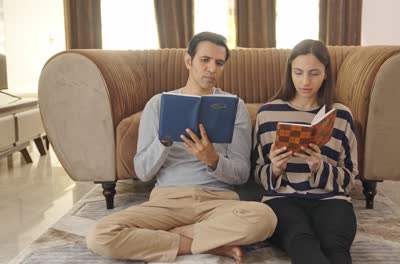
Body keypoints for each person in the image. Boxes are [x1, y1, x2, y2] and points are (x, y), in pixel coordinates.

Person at [86, 31, 277, 263]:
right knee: (100, 235)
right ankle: (210, 244)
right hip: (168, 200)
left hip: (218, 201)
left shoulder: (235, 107)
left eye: (219, 63)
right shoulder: (158, 104)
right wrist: (163, 142)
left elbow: (240, 174)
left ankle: (172, 237)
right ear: (189, 61)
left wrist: (212, 160)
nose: (212, 69)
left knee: (265, 218)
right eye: (204, 60)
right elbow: (143, 172)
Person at [253, 39, 358, 264]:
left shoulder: (341, 115)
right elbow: (257, 174)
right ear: (289, 72)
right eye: (298, 72)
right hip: (282, 199)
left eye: (314, 73)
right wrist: (275, 169)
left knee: (336, 248)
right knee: (302, 242)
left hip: (331, 198)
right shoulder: (267, 114)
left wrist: (320, 167)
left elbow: (350, 178)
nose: (305, 81)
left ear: (326, 74)